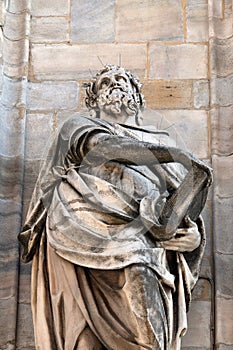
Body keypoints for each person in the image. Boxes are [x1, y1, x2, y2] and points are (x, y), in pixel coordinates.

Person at [18, 65, 212, 350]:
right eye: (106, 82)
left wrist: (193, 239)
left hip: (142, 233)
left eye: (122, 80)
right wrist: (174, 155)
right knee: (82, 332)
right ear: (94, 99)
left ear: (137, 96)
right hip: (81, 224)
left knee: (141, 269)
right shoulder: (79, 126)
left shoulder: (160, 140)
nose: (115, 83)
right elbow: (104, 148)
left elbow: (182, 204)